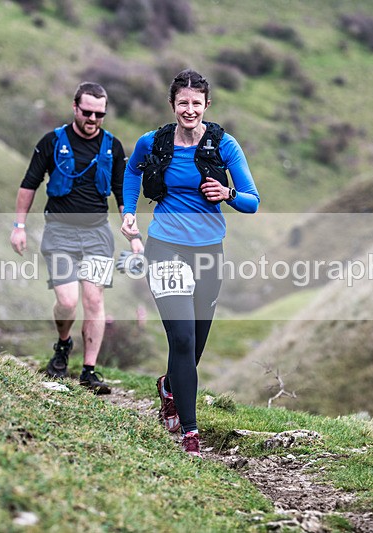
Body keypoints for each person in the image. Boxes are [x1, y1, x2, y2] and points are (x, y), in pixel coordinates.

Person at [120, 69, 260, 455]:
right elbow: (131, 172)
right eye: (183, 102)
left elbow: (252, 201)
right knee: (180, 337)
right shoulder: (153, 142)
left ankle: (169, 387)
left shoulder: (224, 145)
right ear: (172, 105)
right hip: (165, 246)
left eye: (196, 103)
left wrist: (227, 193)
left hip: (209, 251)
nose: (189, 109)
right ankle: (190, 432)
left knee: (194, 345)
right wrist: (129, 211)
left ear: (206, 105)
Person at [10, 81, 141, 395]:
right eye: (87, 112)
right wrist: (19, 226)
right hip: (59, 232)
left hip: (97, 235)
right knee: (67, 302)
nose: (93, 119)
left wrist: (133, 234)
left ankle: (89, 371)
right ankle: (63, 344)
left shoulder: (113, 147)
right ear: (75, 108)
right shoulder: (52, 142)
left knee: (94, 300)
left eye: (99, 114)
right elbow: (29, 184)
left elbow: (122, 193)